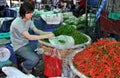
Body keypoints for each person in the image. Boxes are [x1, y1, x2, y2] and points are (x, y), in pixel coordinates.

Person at [10, 2, 54, 74]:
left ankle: (32, 65)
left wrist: (49, 33)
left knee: (43, 49)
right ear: (23, 12)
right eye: (29, 13)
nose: (31, 14)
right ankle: (24, 65)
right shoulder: (17, 23)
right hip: (19, 47)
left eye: (32, 12)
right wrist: (46, 36)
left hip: (26, 43)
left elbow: (37, 30)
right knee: (34, 59)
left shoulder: (29, 20)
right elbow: (29, 37)